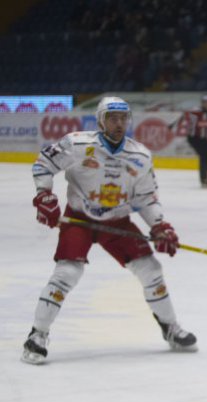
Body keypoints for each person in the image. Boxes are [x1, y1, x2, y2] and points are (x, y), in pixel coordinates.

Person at [22, 96, 196, 365]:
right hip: (79, 219)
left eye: (123, 118)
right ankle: (38, 335)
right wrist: (44, 196)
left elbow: (146, 198)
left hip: (117, 222)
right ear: (101, 120)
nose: (118, 123)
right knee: (67, 272)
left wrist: (159, 225)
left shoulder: (139, 156)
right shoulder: (77, 144)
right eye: (112, 118)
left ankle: (170, 327)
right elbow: (44, 163)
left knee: (151, 269)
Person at [181, 94, 207, 187]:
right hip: (194, 138)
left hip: (204, 138)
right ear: (202, 103)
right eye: (205, 102)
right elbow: (188, 120)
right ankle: (204, 179)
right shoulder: (195, 112)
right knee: (204, 156)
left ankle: (205, 177)